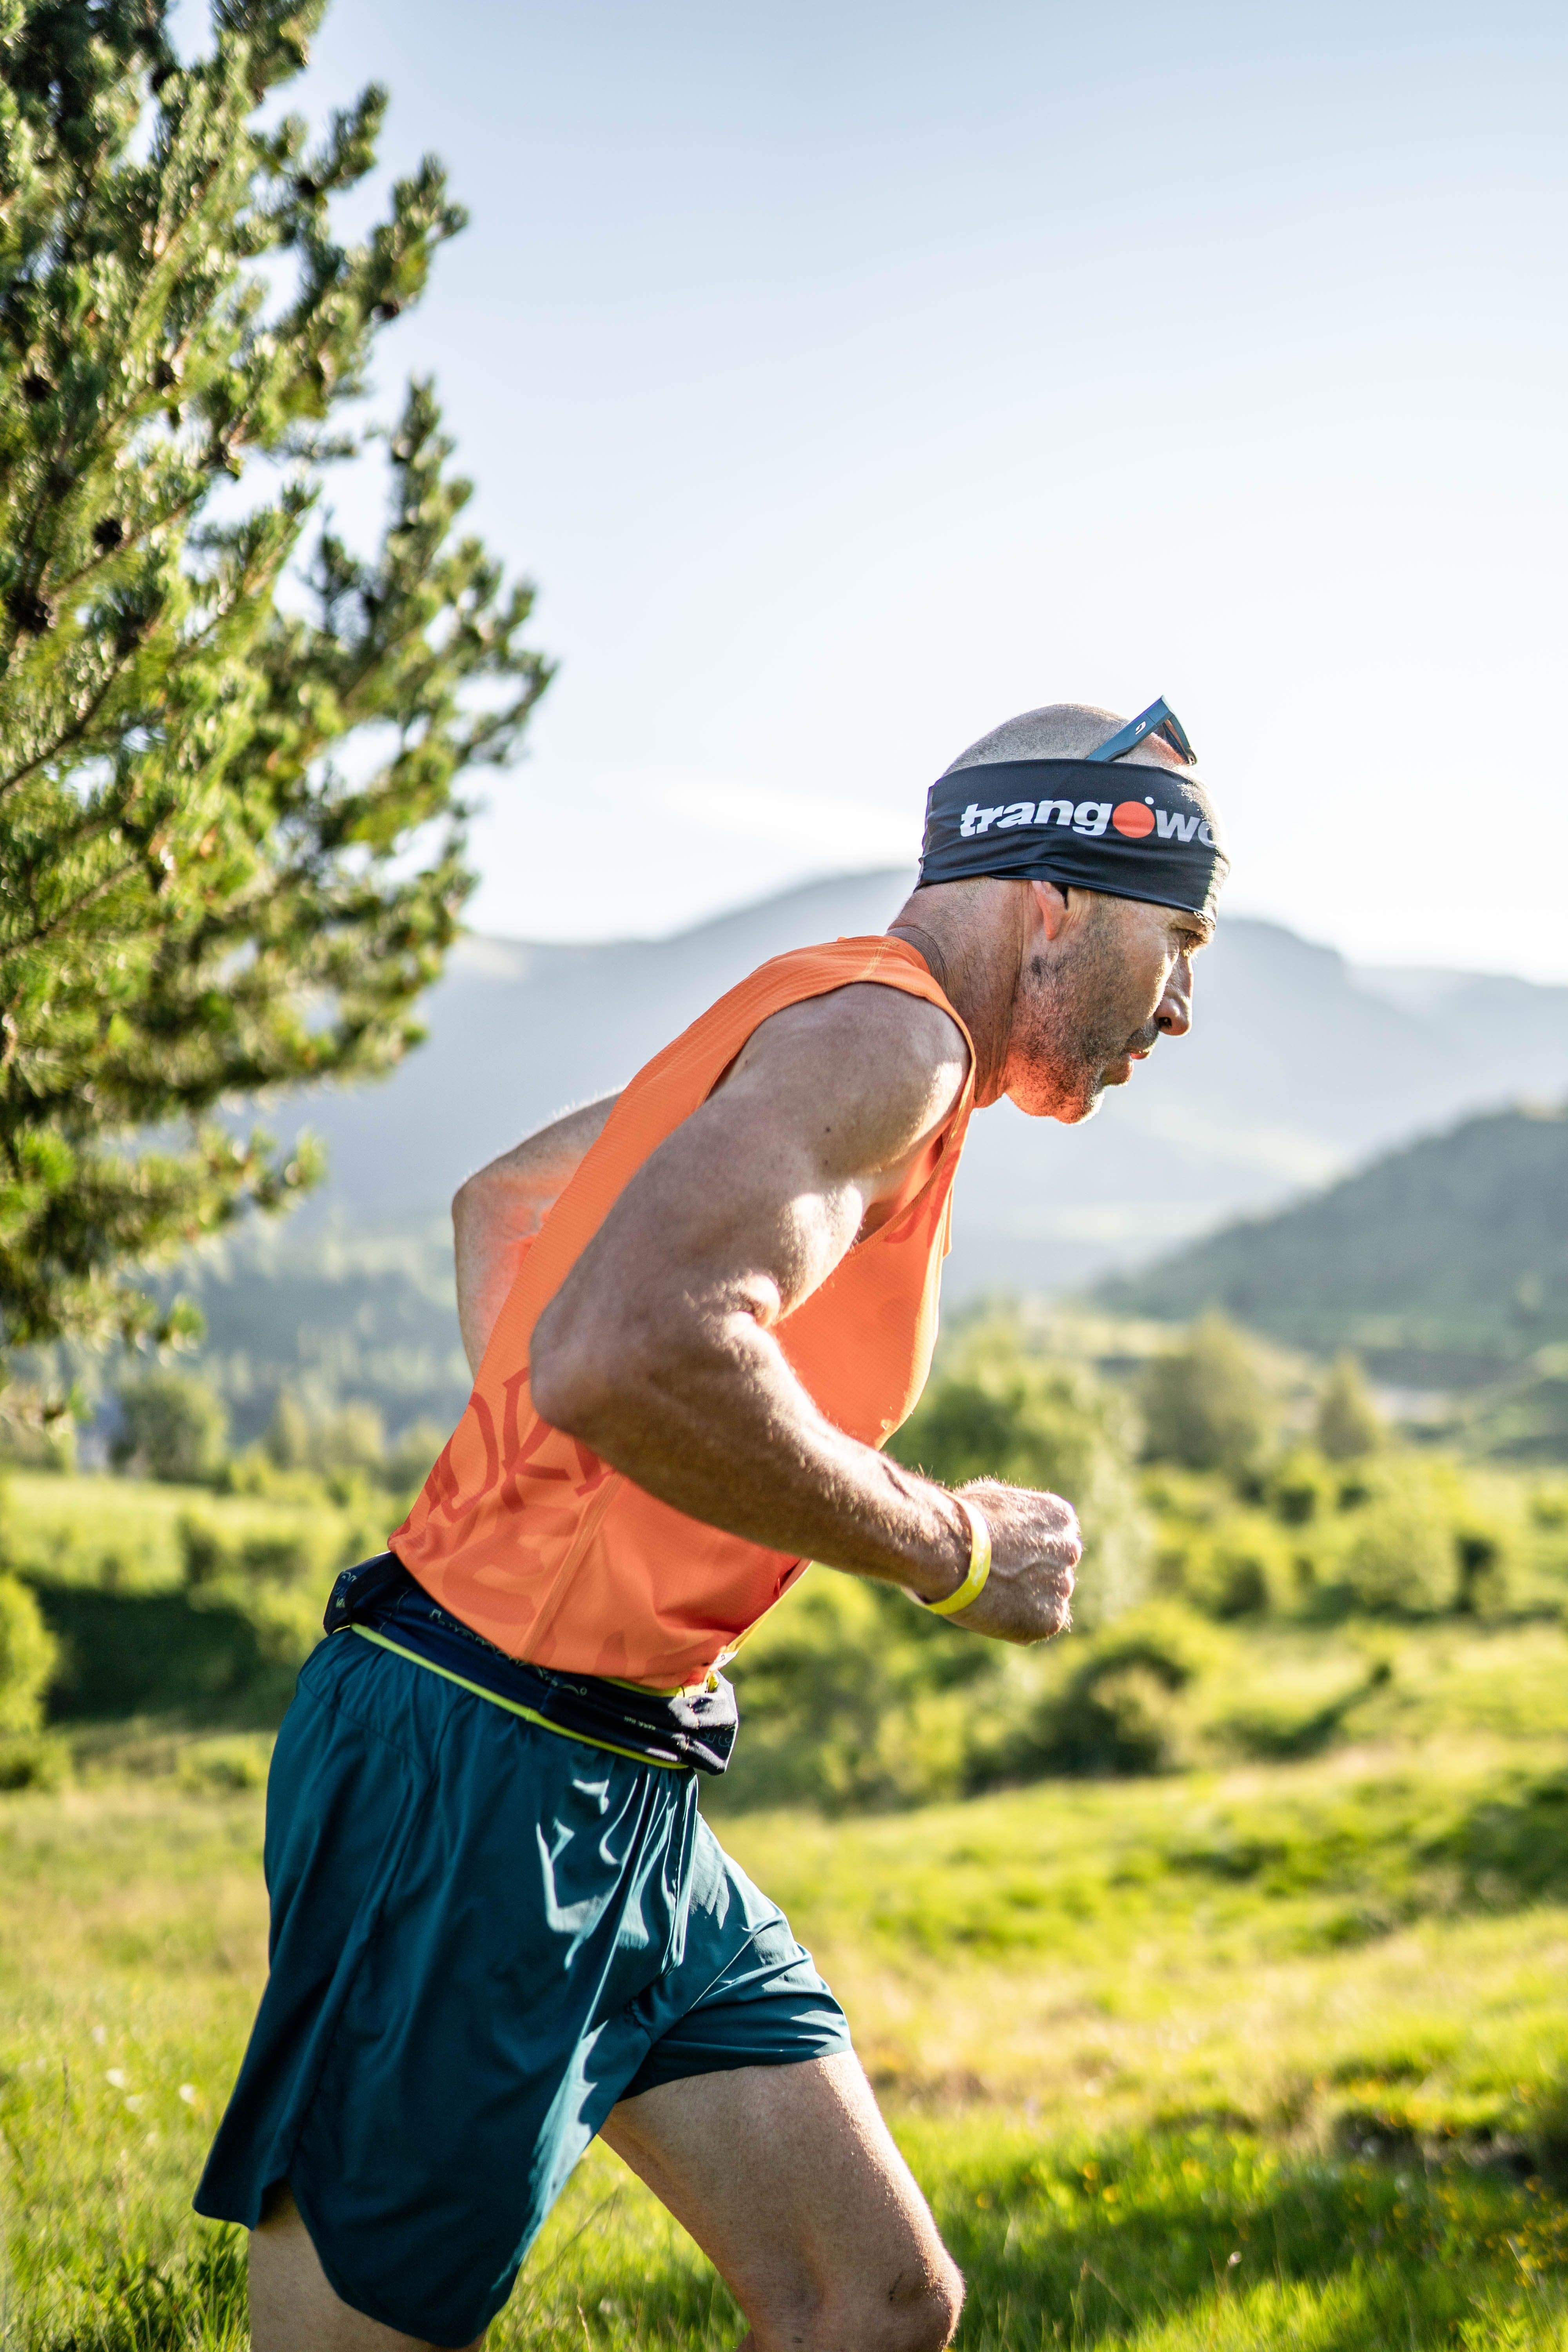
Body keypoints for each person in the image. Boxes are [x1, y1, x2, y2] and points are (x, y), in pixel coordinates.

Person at [197, 698, 1228, 2352]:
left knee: (868, 2299)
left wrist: (578, 1492)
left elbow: (515, 1210)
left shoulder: (828, 1030)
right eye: (1180, 939)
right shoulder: (887, 1046)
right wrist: (945, 1547)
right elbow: (636, 1343)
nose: (1182, 1005)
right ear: (1056, 896)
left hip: (622, 1773)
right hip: (476, 1760)